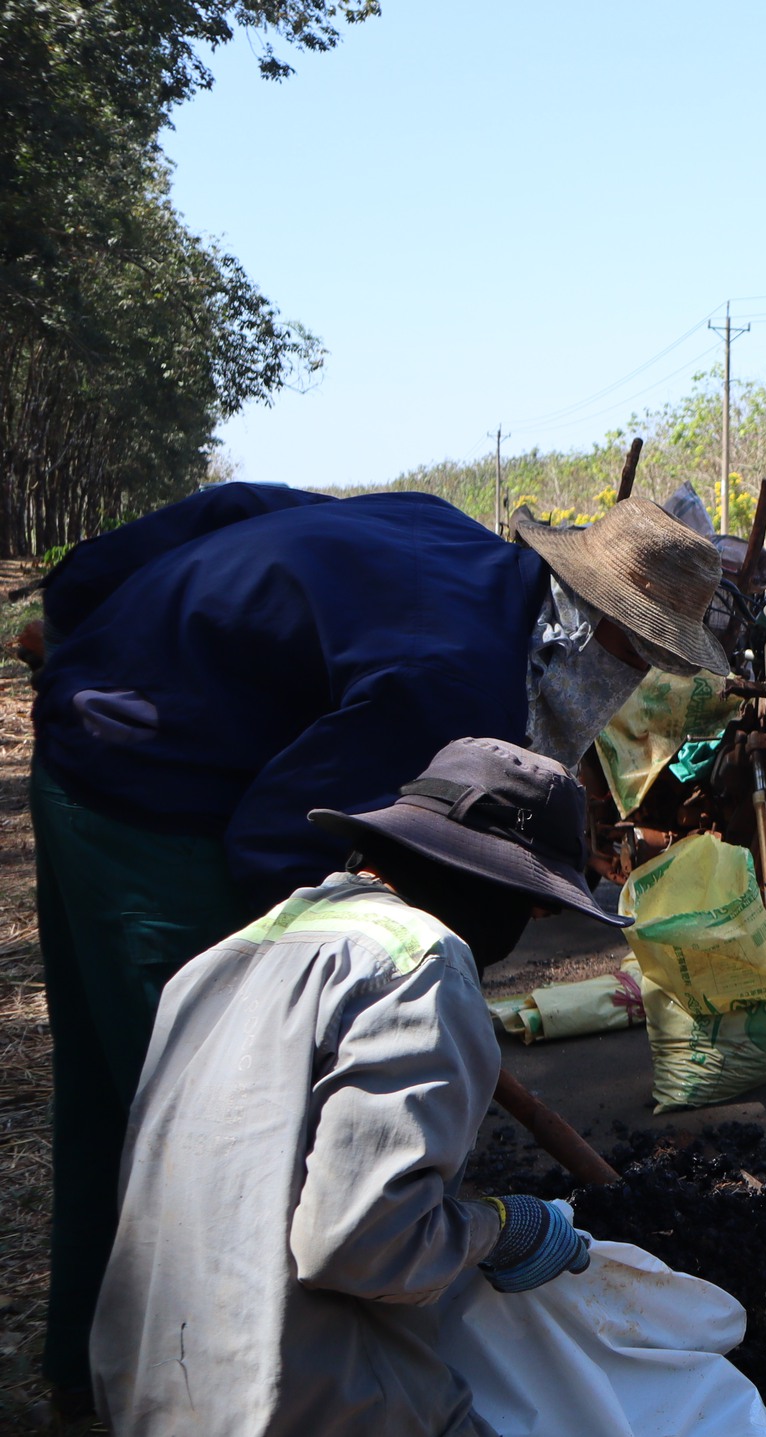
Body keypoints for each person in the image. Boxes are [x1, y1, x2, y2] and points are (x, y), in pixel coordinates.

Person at [28, 490, 724, 1410]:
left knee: (116, 1089)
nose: (630, 683)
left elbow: (237, 511)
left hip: (93, 720)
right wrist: (380, 1009)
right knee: (213, 1109)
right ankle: (211, 1391)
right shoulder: (452, 681)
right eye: (638, 656)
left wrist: (77, 597)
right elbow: (278, 848)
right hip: (152, 791)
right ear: (590, 625)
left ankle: (83, 1376)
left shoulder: (451, 538)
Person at [90, 738, 625, 1435]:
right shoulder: (421, 964)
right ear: (488, 879)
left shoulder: (226, 957)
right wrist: (500, 1226)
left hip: (155, 1391)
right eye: (535, 908)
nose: (529, 927)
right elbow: (363, 1244)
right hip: (302, 1406)